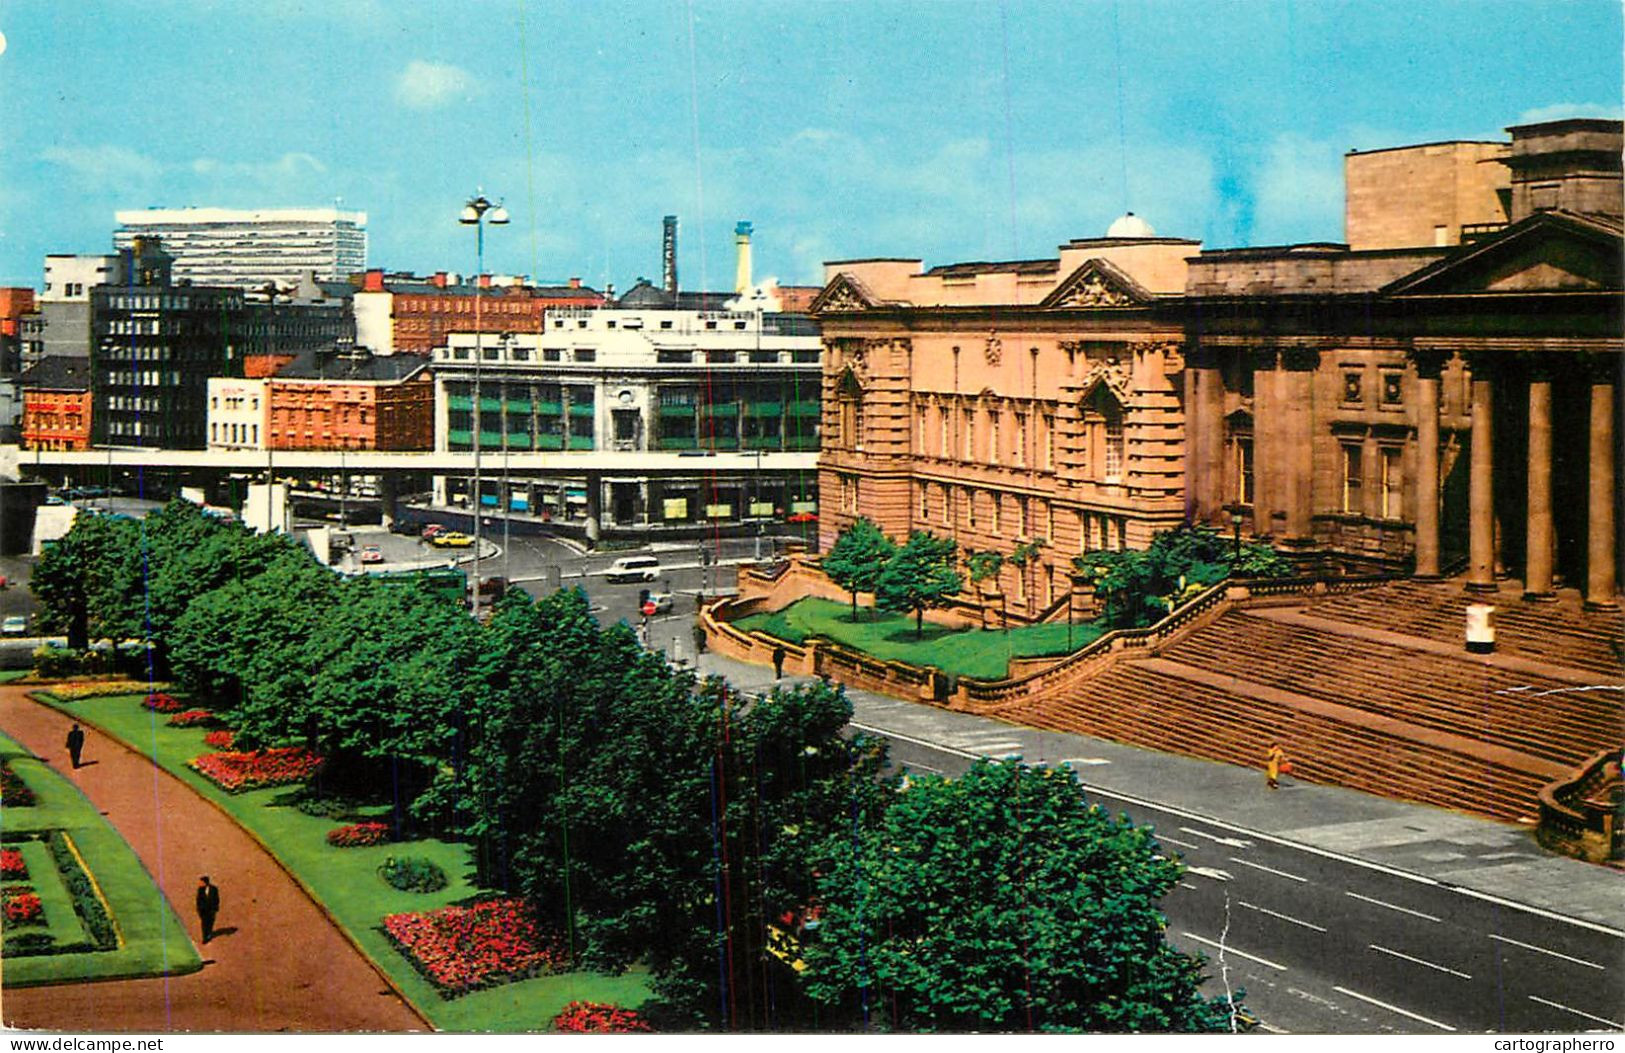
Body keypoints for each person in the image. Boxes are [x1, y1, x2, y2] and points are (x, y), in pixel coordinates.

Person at [196, 875, 221, 944]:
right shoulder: (200, 890)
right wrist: (198, 909)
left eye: (201, 882)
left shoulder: (214, 889)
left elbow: (217, 899)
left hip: (211, 910)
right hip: (203, 910)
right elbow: (198, 900)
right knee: (204, 924)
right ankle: (205, 937)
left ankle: (209, 933)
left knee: (210, 923)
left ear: (205, 882)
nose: (199, 884)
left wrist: (215, 908)